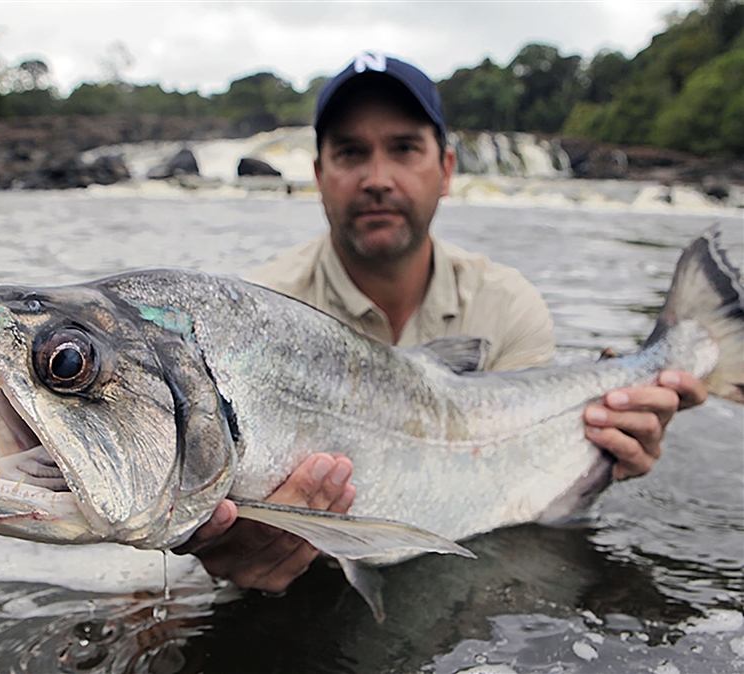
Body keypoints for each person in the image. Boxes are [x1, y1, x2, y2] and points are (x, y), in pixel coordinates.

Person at [172, 53, 708, 593]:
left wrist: (608, 450)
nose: (377, 179)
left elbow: (525, 483)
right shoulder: (254, 315)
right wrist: (214, 549)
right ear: (318, 175)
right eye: (351, 152)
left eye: (404, 149)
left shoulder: (510, 306)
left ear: (447, 170)